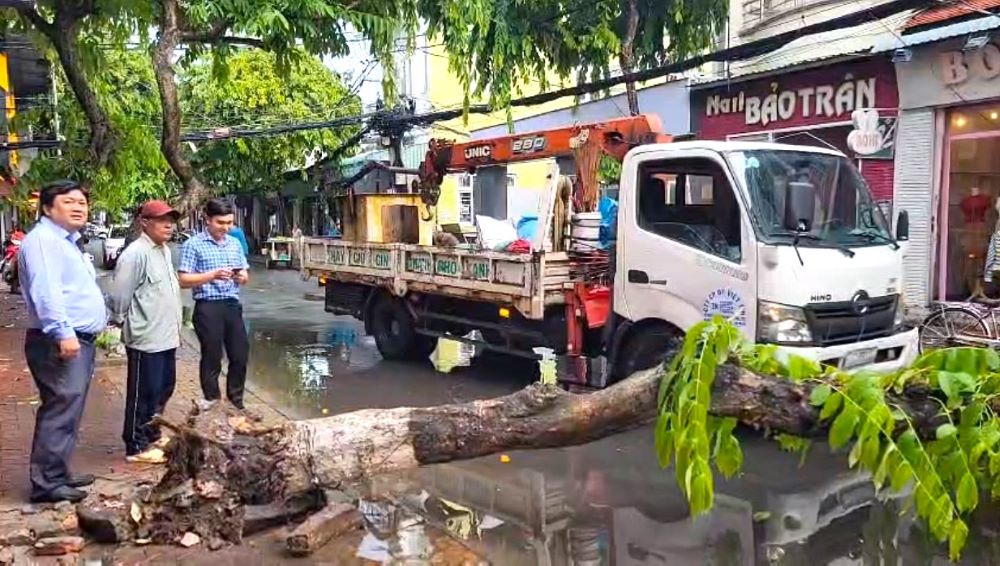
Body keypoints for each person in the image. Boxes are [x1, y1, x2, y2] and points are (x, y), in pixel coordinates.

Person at [18, 180, 106, 503]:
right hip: (59, 341)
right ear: (47, 208)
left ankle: (57, 473)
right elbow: (47, 291)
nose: (79, 207)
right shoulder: (43, 241)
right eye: (69, 202)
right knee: (61, 407)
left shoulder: (66, 242)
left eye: (82, 202)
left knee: (69, 408)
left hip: (75, 339)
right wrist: (63, 333)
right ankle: (47, 483)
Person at [108, 200, 183, 465]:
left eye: (171, 221)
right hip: (145, 338)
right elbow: (119, 296)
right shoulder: (135, 253)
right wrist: (118, 324)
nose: (168, 226)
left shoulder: (163, 250)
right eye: (162, 220)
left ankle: (152, 435)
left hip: (166, 336)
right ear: (144, 223)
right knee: (143, 393)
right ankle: (136, 444)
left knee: (165, 387)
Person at [178, 198, 251, 409]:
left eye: (229, 223)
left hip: (231, 304)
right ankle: (212, 400)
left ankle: (236, 401)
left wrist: (241, 277)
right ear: (207, 220)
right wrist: (213, 275)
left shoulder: (234, 243)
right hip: (208, 306)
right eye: (220, 223)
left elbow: (244, 273)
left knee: (240, 354)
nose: (225, 228)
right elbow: (183, 280)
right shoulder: (193, 245)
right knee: (212, 356)